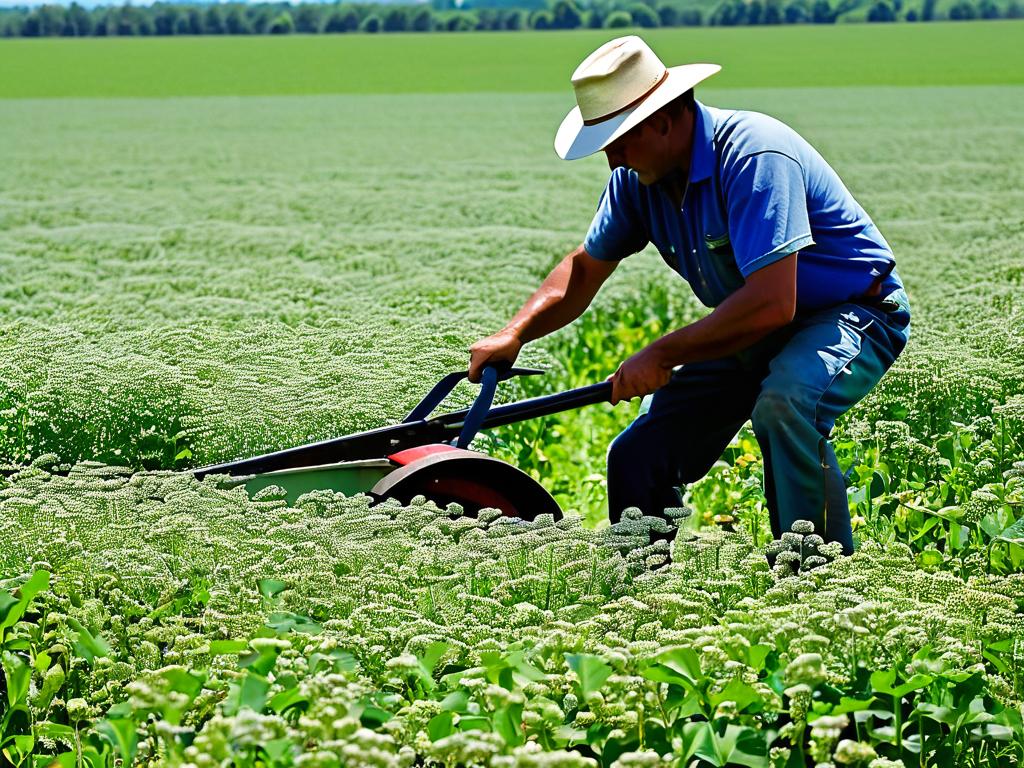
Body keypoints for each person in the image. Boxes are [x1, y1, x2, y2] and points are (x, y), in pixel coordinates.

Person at [468, 36, 910, 554]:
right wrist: (514, 333)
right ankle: (640, 593)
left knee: (786, 404)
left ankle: (818, 584)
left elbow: (773, 302)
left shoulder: (753, 154)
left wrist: (662, 352)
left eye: (619, 140)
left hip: (852, 313)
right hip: (752, 327)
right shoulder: (638, 180)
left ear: (663, 118)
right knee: (637, 455)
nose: (613, 160)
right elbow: (585, 269)